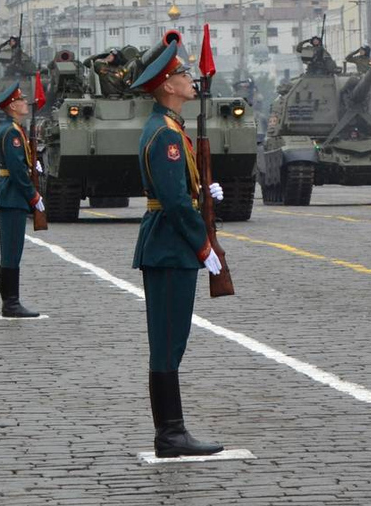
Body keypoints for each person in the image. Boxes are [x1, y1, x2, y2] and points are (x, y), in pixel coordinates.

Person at [129, 42, 225, 458]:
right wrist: (203, 245)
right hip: (170, 247)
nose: (191, 80)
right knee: (168, 342)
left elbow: (178, 190)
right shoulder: (166, 135)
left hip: (167, 245)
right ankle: (170, 434)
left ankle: (173, 431)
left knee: (171, 341)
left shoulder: (168, 128)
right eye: (184, 75)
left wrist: (203, 190)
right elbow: (171, 200)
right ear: (168, 85)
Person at [0, 82, 43, 318]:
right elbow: (16, 169)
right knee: (11, 251)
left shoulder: (13, 129)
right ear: (13, 105)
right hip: (13, 196)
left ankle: (10, 302)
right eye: (21, 100)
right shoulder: (12, 132)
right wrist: (33, 196)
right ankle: (10, 303)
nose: (26, 103)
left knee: (13, 250)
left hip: (11, 196)